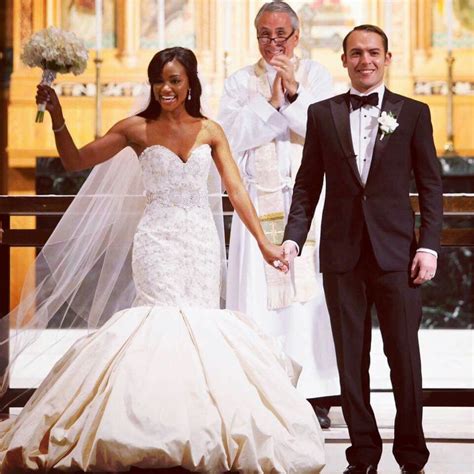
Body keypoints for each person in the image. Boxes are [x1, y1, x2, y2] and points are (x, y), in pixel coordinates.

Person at [0, 47, 325, 473]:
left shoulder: (211, 130)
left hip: (200, 243)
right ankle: (148, 427)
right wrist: (58, 117)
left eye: (174, 80)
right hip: (157, 241)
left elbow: (237, 190)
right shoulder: (135, 128)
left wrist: (265, 242)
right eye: (159, 80)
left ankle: (200, 427)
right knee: (158, 322)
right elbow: (75, 160)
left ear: (190, 82)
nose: (166, 88)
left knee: (201, 326)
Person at [281, 25, 443, 474]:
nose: (365, 60)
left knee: (404, 360)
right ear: (344, 59)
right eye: (356, 53)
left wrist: (428, 246)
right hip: (342, 256)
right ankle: (363, 455)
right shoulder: (322, 113)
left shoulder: (413, 113)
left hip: (398, 257)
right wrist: (294, 237)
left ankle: (412, 456)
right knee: (351, 362)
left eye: (373, 53)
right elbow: (307, 185)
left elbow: (430, 186)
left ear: (387, 58)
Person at [218, 0, 339, 428]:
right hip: (257, 204)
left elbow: (326, 130)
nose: (273, 43)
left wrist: (293, 97)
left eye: (281, 35)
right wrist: (271, 104)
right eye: (265, 35)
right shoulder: (237, 83)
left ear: (296, 36)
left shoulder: (318, 77)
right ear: (256, 38)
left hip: (309, 203)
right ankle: (257, 388)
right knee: (258, 296)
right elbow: (229, 139)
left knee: (310, 301)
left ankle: (314, 396)